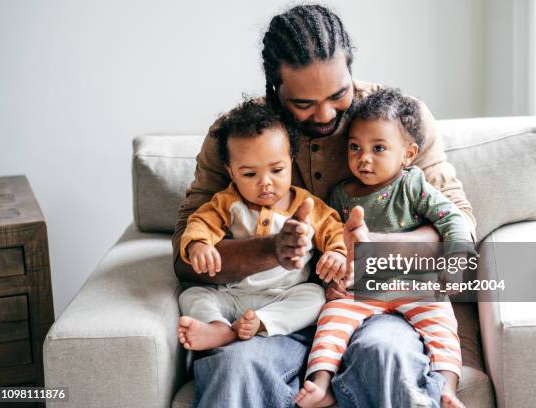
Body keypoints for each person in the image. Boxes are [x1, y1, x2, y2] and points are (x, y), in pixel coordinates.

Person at [173, 4, 476, 407]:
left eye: (339, 94)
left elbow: (460, 225)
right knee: (235, 370)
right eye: (303, 104)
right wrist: (270, 249)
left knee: (387, 357)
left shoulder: (397, 121)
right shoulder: (239, 137)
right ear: (274, 89)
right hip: (270, 311)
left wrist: (367, 248)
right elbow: (184, 257)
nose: (326, 113)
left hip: (375, 302)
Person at [295, 88, 472, 408]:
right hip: (360, 288)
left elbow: (453, 220)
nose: (364, 158)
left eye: (378, 148)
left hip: (416, 283)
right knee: (332, 319)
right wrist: (331, 274)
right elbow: (329, 240)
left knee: (442, 326)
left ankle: (447, 389)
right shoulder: (341, 195)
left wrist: (456, 260)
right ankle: (321, 384)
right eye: (355, 147)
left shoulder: (413, 185)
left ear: (407, 153)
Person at [176, 98, 347, 350]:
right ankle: (219, 328)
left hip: (286, 293)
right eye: (249, 174)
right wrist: (198, 244)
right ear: (231, 171)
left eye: (276, 170)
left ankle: (263, 323)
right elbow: (201, 221)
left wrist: (336, 254)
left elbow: (335, 230)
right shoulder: (227, 202)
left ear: (291, 161)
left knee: (315, 296)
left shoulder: (308, 205)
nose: (265, 182)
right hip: (233, 294)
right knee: (192, 295)